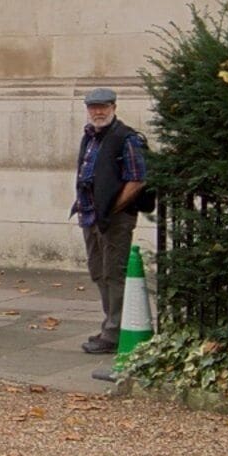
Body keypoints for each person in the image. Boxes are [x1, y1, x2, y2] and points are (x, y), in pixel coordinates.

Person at [71, 85, 148, 355]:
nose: (98, 111)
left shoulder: (125, 138)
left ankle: (114, 333)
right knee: (98, 271)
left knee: (114, 274)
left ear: (114, 107)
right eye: (93, 107)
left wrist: (113, 208)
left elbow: (137, 179)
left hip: (115, 218)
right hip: (90, 215)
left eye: (103, 107)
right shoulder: (90, 137)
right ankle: (111, 325)